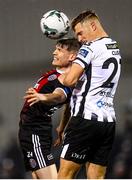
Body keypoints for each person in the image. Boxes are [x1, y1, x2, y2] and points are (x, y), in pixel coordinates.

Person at [57, 10, 122, 179]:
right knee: (97, 177)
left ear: (92, 25)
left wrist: (60, 74)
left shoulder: (89, 48)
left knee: (65, 175)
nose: (79, 39)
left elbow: (70, 80)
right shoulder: (114, 47)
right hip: (107, 122)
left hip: (85, 121)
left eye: (80, 33)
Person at [18, 38, 81, 179]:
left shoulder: (66, 79)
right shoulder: (58, 73)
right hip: (33, 131)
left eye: (59, 50)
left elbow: (59, 96)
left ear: (72, 56)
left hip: (36, 132)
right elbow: (68, 105)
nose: (54, 52)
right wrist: (62, 126)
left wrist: (43, 97)